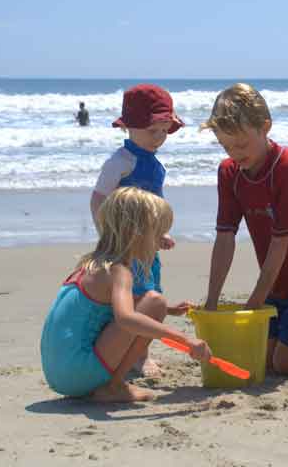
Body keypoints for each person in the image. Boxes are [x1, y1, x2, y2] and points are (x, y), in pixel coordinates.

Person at [201, 83, 288, 375]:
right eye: (226, 146)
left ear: (265, 127)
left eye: (241, 145)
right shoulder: (229, 172)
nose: (234, 154)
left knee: (285, 363)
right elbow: (225, 237)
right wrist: (212, 301)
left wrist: (254, 302)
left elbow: (281, 242)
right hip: (277, 283)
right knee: (263, 359)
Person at [40, 187, 211, 402]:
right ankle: (114, 386)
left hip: (58, 374)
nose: (162, 241)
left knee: (156, 304)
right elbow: (126, 318)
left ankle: (106, 384)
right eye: (158, 233)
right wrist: (185, 340)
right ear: (137, 234)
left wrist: (168, 310)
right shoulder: (119, 271)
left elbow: (104, 309)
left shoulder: (92, 265)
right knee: (155, 302)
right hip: (80, 372)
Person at [90, 84, 186, 376]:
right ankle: (137, 356)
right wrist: (108, 237)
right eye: (152, 130)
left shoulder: (155, 165)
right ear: (128, 127)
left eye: (164, 131)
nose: (159, 138)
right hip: (123, 247)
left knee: (151, 294)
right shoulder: (120, 162)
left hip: (147, 247)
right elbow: (99, 200)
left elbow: (154, 207)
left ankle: (139, 352)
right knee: (131, 298)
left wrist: (159, 234)